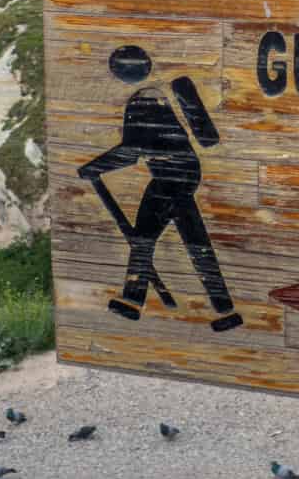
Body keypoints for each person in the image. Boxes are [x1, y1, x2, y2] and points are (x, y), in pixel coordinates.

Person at [77, 44, 243, 333]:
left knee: (146, 238)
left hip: (169, 176)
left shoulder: (141, 101)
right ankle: (223, 307)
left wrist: (95, 167)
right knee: (193, 240)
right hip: (186, 173)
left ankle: (133, 300)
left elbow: (132, 150)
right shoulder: (167, 91)